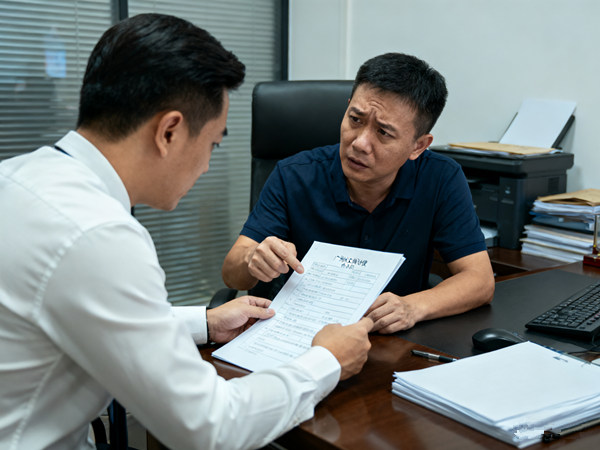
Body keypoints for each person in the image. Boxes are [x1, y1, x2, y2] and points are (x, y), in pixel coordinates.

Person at [0, 13, 373, 450]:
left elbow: (84, 309)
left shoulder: (19, 175)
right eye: (212, 144)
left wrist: (205, 323)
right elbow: (210, 427)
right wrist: (326, 360)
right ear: (169, 131)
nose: (208, 165)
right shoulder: (100, 236)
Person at [222, 52, 495, 334]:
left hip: (390, 339)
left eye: (383, 133)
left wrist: (413, 307)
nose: (360, 143)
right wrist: (253, 259)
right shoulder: (294, 174)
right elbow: (232, 274)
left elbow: (480, 280)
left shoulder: (440, 178)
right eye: (355, 119)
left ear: (418, 146)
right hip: (301, 333)